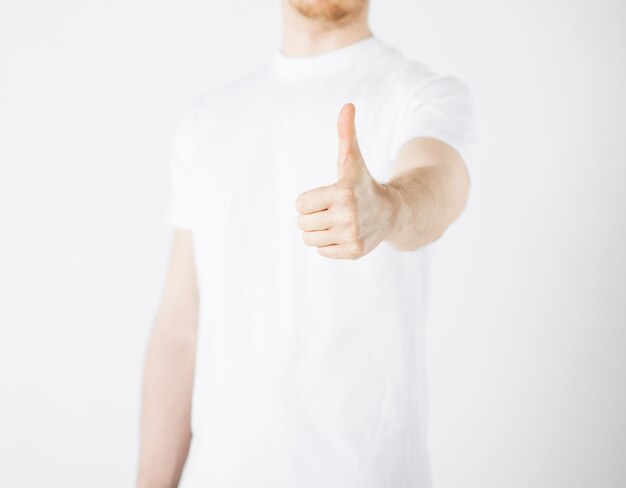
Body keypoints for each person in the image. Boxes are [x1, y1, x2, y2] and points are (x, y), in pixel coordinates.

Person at [137, 0, 475, 486]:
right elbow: (179, 327)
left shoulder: (420, 94)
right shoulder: (205, 122)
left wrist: (388, 208)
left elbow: (443, 183)